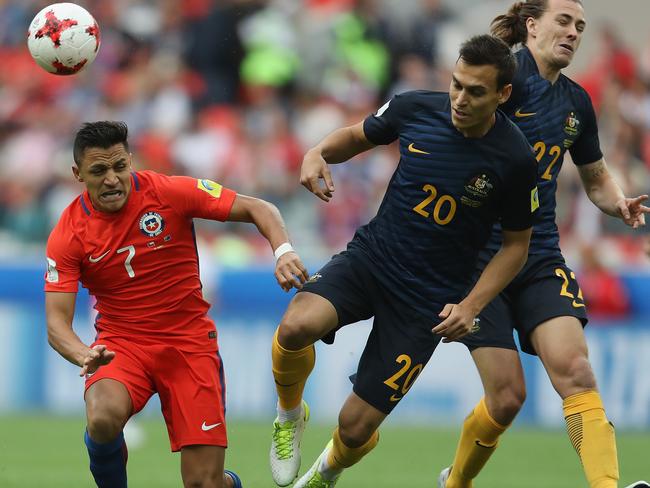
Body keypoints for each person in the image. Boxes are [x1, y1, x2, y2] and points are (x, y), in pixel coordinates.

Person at [268, 34, 539, 488]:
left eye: (475, 91)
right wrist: (317, 153)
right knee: (296, 326)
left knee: (355, 428)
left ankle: (326, 472)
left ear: (502, 94)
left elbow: (516, 247)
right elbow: (356, 137)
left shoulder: (515, 159)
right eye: (456, 84)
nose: (460, 98)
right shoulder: (415, 107)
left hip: (427, 302)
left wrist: (471, 306)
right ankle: (289, 415)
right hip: (373, 260)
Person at [437, 2, 650, 488]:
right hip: (478, 260)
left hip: (538, 255)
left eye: (580, 27)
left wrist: (618, 203)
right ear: (531, 26)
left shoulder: (576, 104)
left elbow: (594, 177)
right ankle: (456, 483)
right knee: (508, 399)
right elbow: (452, 137)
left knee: (576, 370)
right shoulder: (501, 82)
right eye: (563, 21)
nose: (573, 33)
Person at [44, 121, 309, 488]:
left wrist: (283, 251)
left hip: (189, 347)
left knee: (204, 483)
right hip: (122, 346)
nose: (112, 179)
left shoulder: (168, 192)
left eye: (119, 166)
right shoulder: (68, 233)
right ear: (77, 174)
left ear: (130, 161)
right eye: (99, 170)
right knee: (102, 417)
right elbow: (56, 324)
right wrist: (82, 354)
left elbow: (258, 208)